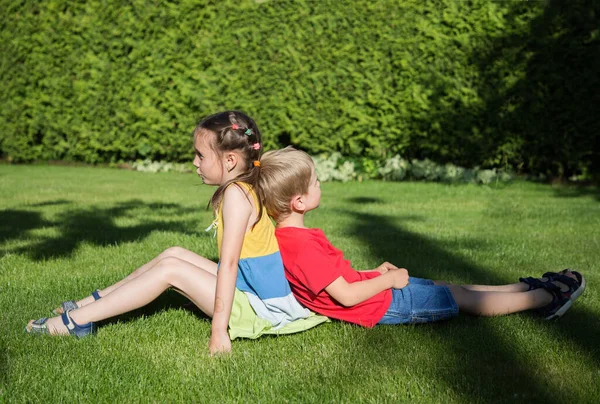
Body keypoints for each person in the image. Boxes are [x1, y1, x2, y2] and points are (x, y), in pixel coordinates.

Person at [26, 112, 326, 354]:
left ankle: (75, 322)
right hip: (254, 293)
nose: (195, 162)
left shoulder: (237, 194)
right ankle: (85, 305)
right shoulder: (243, 185)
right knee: (174, 253)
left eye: (200, 155)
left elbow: (231, 265)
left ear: (230, 160)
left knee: (171, 269)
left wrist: (219, 330)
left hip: (261, 309)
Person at [258, 147, 586, 327]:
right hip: (382, 306)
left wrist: (375, 273)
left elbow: (337, 279)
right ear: (298, 201)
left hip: (378, 293)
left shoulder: (290, 238)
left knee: (448, 288)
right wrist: (391, 280)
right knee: (462, 300)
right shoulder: (301, 248)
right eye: (315, 181)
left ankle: (524, 287)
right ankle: (547, 298)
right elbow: (345, 296)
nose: (320, 184)